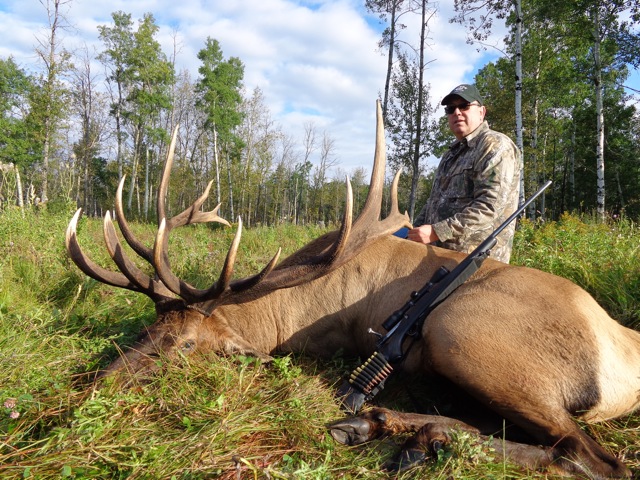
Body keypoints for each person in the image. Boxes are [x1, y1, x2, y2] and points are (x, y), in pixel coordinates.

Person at [408, 84, 520, 263]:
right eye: (451, 109)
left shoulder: (495, 145)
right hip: (440, 259)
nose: (457, 112)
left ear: (481, 112)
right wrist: (412, 231)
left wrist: (438, 232)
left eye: (464, 106)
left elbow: (489, 207)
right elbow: (433, 204)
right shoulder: (450, 155)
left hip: (476, 264)